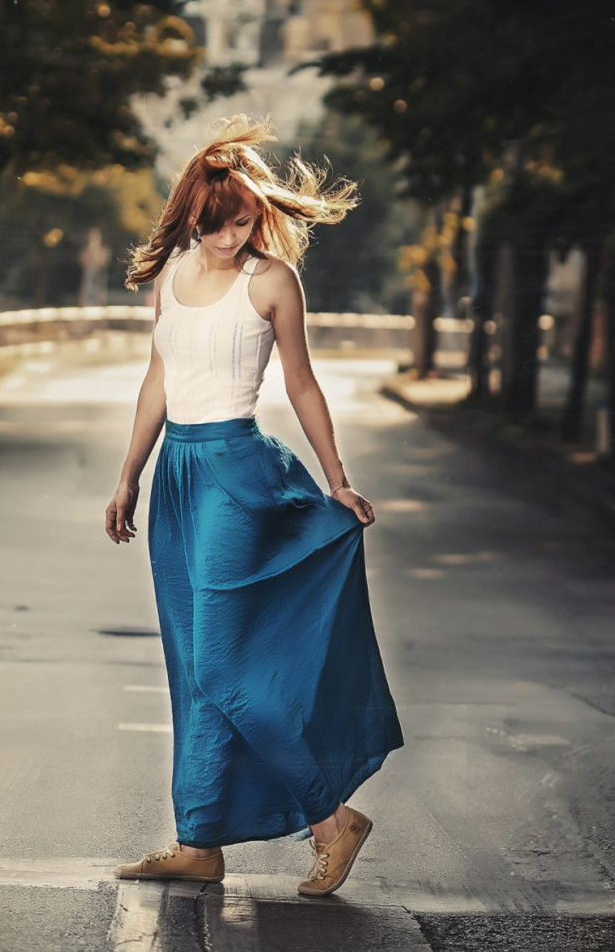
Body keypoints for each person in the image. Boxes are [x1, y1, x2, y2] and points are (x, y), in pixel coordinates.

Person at [105, 117, 403, 897]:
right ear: (191, 217)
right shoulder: (170, 275)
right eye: (217, 223)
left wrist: (337, 478)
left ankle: (333, 822)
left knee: (224, 664)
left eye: (243, 220)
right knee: (191, 663)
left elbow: (300, 383)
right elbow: (156, 383)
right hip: (177, 475)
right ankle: (199, 840)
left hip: (238, 472)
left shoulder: (271, 281)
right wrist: (128, 476)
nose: (232, 235)